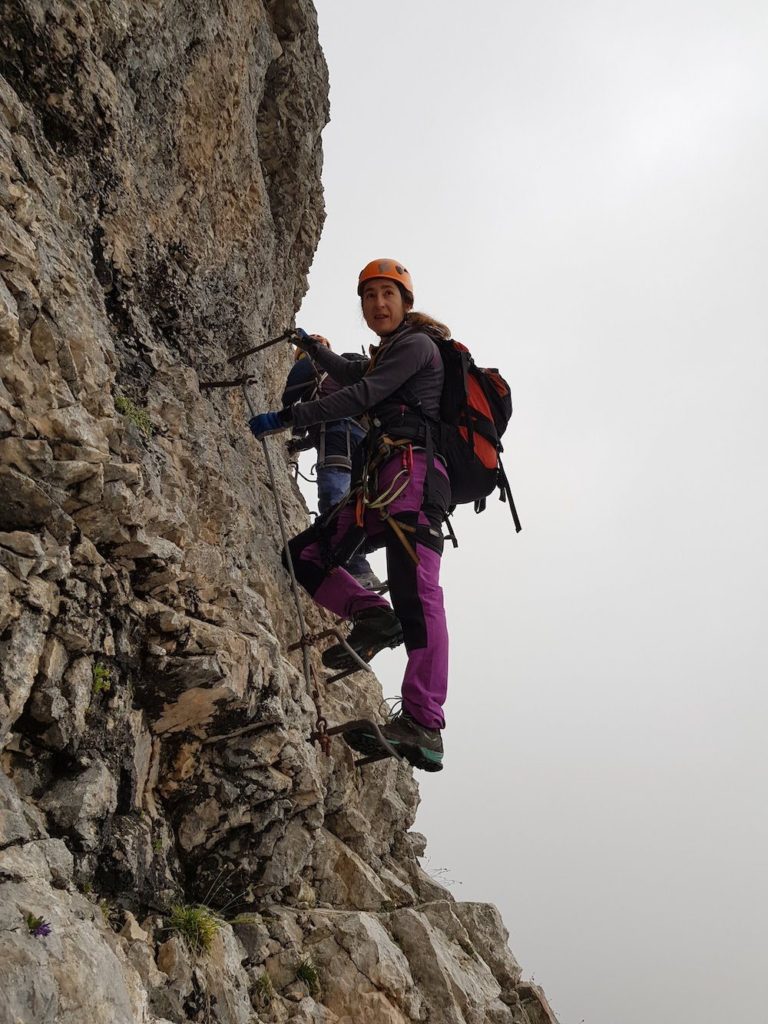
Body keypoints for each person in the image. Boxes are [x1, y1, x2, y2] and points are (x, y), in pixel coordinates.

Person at [249, 259, 451, 772]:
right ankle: (371, 615)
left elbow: (359, 395)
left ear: (406, 302)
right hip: (381, 481)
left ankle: (424, 723)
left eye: (388, 294)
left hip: (415, 478)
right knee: (304, 556)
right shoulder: (389, 354)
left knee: (418, 592)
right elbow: (351, 373)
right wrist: (314, 349)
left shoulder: (417, 346)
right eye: (369, 296)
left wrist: (288, 417)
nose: (378, 304)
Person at [281, 343, 379, 588]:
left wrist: (287, 416)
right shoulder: (343, 373)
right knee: (353, 500)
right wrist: (298, 444)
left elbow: (293, 388)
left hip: (336, 431)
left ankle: (356, 567)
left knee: (333, 495)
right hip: (363, 439)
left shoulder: (313, 361)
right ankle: (358, 565)